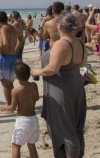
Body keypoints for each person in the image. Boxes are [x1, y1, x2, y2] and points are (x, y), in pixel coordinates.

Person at [31, 12, 87, 158]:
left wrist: (36, 71)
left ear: (59, 26)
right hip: (76, 87)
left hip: (61, 90)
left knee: (66, 130)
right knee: (75, 127)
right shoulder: (80, 42)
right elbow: (82, 63)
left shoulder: (61, 44)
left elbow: (52, 69)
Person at [0, 63, 40, 158]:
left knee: (16, 145)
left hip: (22, 120)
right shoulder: (34, 85)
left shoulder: (16, 91)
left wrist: (4, 107)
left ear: (16, 76)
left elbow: (12, 108)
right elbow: (37, 97)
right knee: (32, 146)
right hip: (33, 119)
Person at [0, 11, 17, 106]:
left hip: (5, 57)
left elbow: (5, 44)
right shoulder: (11, 27)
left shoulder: (3, 28)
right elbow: (16, 41)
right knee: (10, 83)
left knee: (5, 83)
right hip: (12, 56)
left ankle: (9, 105)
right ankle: (13, 103)